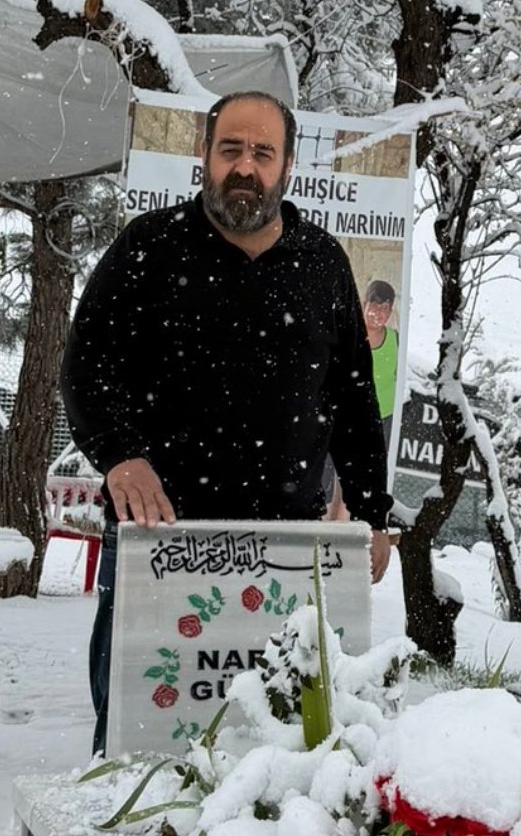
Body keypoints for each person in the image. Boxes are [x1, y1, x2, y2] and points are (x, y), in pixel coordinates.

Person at [61, 90, 392, 753]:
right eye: (231, 149)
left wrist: (373, 512)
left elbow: (355, 401)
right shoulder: (149, 247)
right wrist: (120, 455)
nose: (245, 167)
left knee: (274, 758)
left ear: (288, 166)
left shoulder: (322, 263)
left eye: (263, 153)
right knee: (138, 756)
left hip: (287, 556)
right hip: (158, 546)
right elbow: (85, 366)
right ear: (204, 155)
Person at [362, 279, 399, 451]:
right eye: (374, 305)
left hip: (383, 418)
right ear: (364, 305)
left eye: (384, 307)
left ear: (390, 312)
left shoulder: (396, 340)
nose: (378, 312)